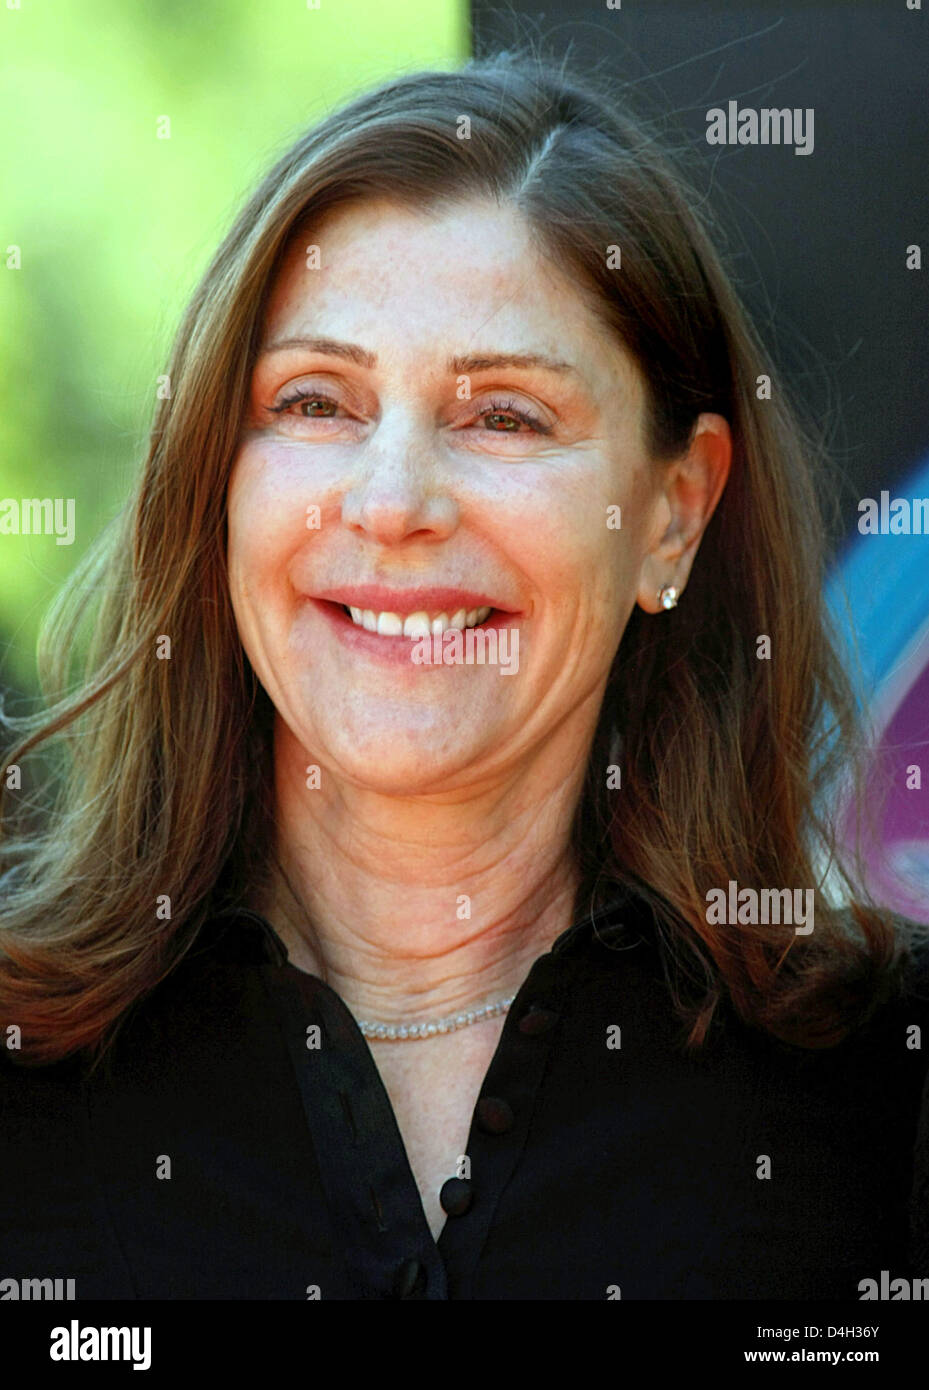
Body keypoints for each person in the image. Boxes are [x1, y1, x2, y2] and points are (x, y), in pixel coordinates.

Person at [1, 49, 927, 1301]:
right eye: (316, 401)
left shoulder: (882, 1100)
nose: (391, 503)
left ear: (673, 510)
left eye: (503, 417)